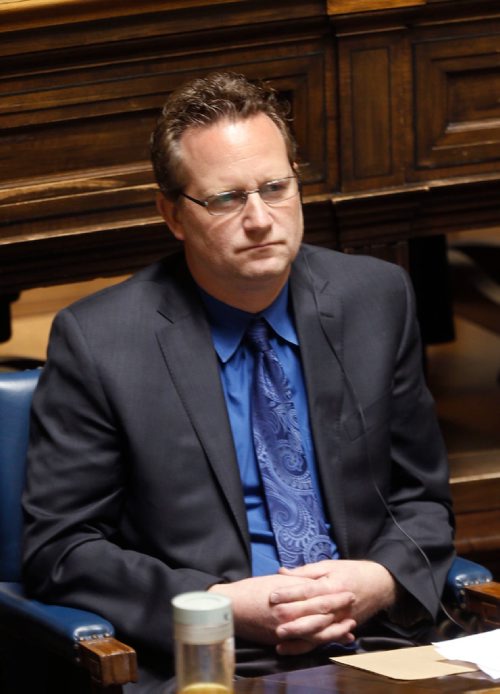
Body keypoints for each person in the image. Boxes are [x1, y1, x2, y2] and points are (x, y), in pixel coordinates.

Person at [22, 72, 455, 693]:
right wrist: (216, 603)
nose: (260, 219)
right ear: (171, 213)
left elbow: (422, 499)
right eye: (225, 199)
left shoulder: (376, 299)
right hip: (212, 663)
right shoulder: (101, 342)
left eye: (276, 188)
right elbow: (60, 551)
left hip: (380, 646)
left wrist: (380, 580)